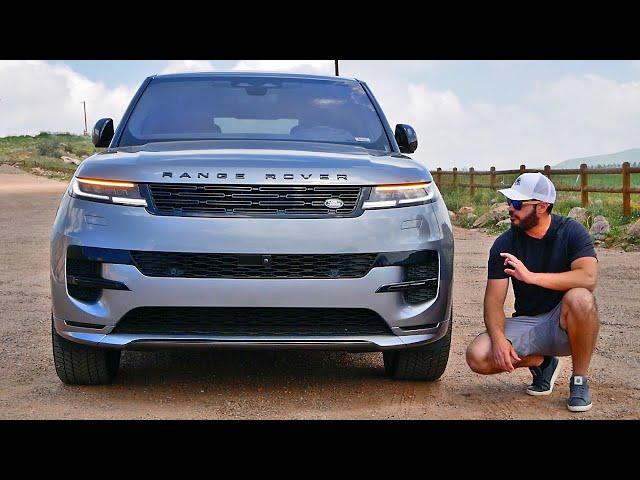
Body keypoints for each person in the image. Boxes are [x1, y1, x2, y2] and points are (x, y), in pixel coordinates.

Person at [465, 172, 599, 412]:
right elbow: (493, 303)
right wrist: (499, 340)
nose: (510, 208)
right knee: (478, 355)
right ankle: (543, 364)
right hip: (529, 323)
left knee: (581, 298)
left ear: (542, 206)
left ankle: (579, 380)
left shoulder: (571, 232)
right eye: (509, 202)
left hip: (565, 325)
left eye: (518, 204)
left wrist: (531, 277)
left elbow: (588, 277)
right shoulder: (504, 244)